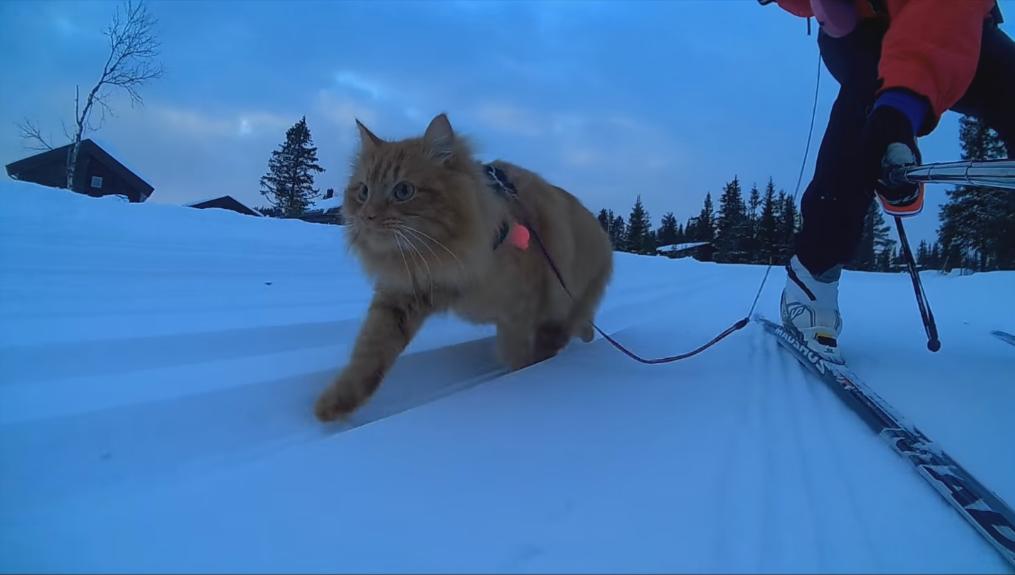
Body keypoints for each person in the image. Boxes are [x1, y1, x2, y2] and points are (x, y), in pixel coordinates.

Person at [764, 0, 1015, 361]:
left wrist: (902, 105)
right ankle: (815, 270)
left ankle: (890, 141)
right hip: (863, 30)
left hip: (958, 21)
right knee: (867, 94)